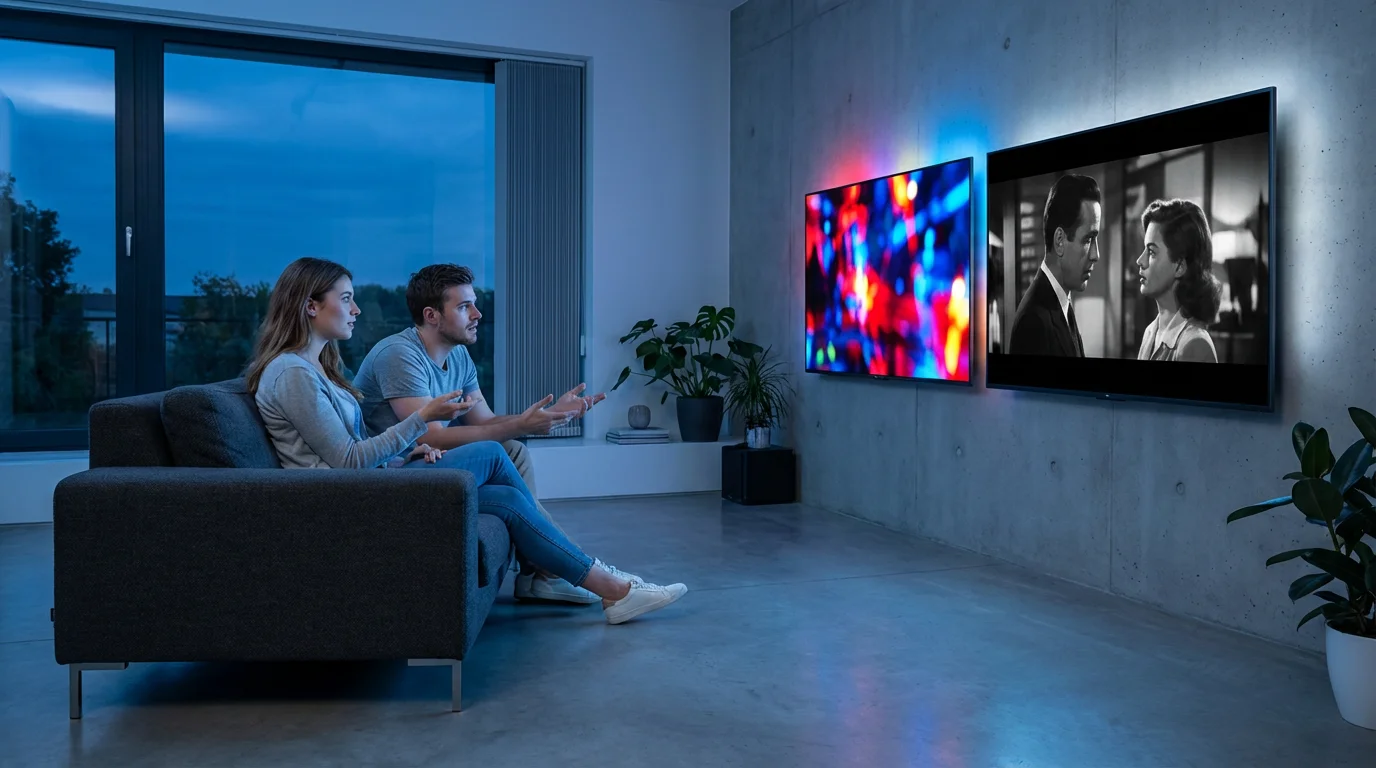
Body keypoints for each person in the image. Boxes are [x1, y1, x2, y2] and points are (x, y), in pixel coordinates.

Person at [246, 257, 687, 625]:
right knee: (495, 452)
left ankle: (612, 591)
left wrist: (410, 451)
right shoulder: (293, 374)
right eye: (345, 299)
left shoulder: (315, 369)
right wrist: (421, 423)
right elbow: (345, 462)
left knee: (506, 498)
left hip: (372, 484)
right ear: (309, 306)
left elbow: (360, 445)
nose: (356, 309)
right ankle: (588, 579)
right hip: (349, 502)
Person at [352, 264, 606, 605]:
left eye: (473, 303)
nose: (477, 313)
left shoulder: (458, 355)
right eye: (463, 307)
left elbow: (484, 420)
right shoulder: (399, 356)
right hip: (394, 471)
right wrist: (522, 424)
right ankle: (556, 567)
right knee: (496, 450)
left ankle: (536, 575)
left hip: (426, 461)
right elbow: (433, 438)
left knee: (511, 448)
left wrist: (545, 414)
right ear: (432, 315)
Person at [1009, 173, 1102, 356]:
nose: (1096, 255)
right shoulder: (1034, 323)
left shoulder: (1061, 303)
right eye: (1088, 239)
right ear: (1059, 240)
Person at [1134, 198, 1221, 362]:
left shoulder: (1195, 344)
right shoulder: (1150, 332)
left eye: (1151, 252)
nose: (1140, 261)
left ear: (1180, 266)